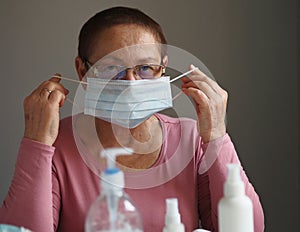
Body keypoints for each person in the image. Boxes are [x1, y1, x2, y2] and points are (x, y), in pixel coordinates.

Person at [0, 6, 264, 232]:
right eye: (111, 68)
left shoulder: (191, 139)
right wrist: (36, 142)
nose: (131, 83)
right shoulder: (56, 143)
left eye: (146, 68)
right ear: (83, 70)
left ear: (163, 67)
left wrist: (217, 135)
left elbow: (248, 226)